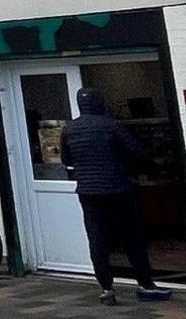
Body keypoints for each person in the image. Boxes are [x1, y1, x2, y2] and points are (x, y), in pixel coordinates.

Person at [60, 86, 173, 305]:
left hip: (88, 191)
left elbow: (67, 160)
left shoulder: (69, 129)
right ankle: (144, 284)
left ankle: (106, 289)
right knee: (132, 237)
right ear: (99, 102)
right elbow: (136, 152)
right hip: (118, 189)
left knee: (97, 240)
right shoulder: (111, 125)